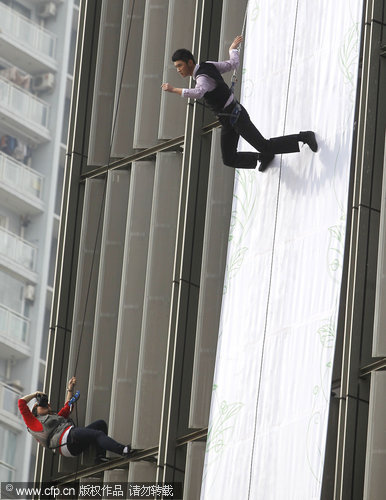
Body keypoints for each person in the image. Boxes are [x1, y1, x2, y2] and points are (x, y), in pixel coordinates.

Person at [161, 35, 318, 171]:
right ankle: (262, 157)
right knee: (229, 158)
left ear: (189, 62)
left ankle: (303, 137)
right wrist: (232, 49)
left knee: (265, 145)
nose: (178, 70)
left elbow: (198, 92)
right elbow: (231, 64)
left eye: (180, 65)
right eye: (176, 67)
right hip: (228, 119)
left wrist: (174, 89)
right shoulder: (207, 65)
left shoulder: (202, 78)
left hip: (236, 116)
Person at [18, 377, 134, 462]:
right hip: (65, 440)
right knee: (97, 434)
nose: (47, 406)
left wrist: (70, 389)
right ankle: (124, 450)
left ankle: (100, 457)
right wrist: (35, 394)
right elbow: (21, 402)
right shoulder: (33, 423)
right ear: (35, 412)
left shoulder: (55, 418)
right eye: (42, 406)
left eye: (47, 405)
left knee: (101, 425)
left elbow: (68, 407)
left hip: (70, 446)